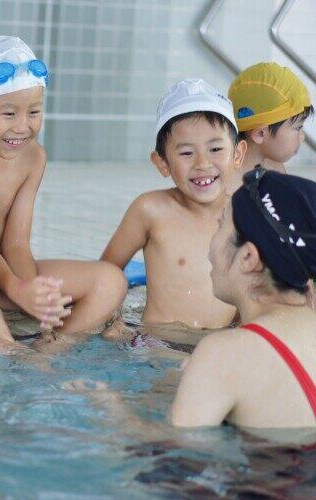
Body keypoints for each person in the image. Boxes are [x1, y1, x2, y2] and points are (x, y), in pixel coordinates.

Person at [0, 35, 128, 348]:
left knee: (110, 282)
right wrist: (15, 288)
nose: (22, 126)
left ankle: (51, 348)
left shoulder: (33, 157)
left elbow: (16, 243)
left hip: (2, 280)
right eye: (8, 113)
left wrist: (34, 297)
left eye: (34, 112)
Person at [171, 167, 316, 428]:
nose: (210, 248)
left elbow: (174, 448)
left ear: (248, 257)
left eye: (220, 226)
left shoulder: (223, 353)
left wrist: (108, 403)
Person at [102, 79, 247, 331]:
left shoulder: (247, 217)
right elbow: (105, 275)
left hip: (214, 344)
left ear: (237, 155)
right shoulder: (150, 210)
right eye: (187, 153)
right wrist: (114, 323)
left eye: (215, 149)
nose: (202, 163)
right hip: (155, 342)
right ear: (162, 163)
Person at [228, 62, 313, 192]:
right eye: (298, 127)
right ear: (260, 133)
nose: (302, 137)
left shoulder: (274, 168)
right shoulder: (226, 187)